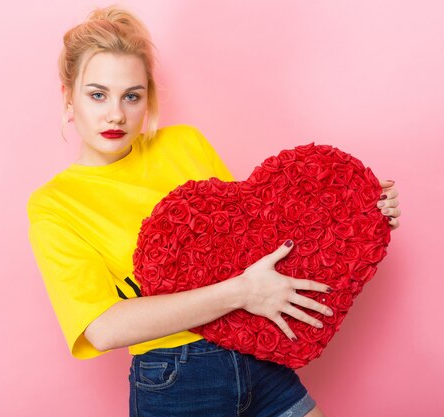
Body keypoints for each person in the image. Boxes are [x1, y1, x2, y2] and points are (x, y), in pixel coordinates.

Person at [27, 6, 401, 417]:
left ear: (147, 97)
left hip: (257, 351)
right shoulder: (55, 204)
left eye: (131, 95)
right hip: (177, 377)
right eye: (97, 94)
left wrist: (361, 211)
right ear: (68, 98)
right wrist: (240, 292)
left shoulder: (184, 144)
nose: (116, 113)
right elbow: (102, 328)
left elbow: (258, 237)